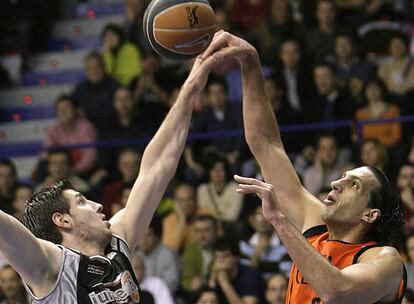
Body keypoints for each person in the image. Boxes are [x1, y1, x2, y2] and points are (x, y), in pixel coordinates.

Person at [202, 30, 406, 303]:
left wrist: (279, 221)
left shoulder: (384, 259)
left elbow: (337, 291)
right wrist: (250, 64)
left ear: (370, 214)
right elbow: (265, 144)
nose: (335, 183)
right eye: (342, 177)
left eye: (353, 185)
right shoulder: (317, 225)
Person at [0, 51, 219, 303]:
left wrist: (190, 88)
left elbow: (158, 166)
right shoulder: (49, 266)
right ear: (62, 220)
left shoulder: (118, 242)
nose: (98, 205)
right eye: (82, 202)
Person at [181, 215, 219, 292]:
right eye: (197, 231)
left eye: (206, 230)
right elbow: (187, 278)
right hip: (198, 293)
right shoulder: (191, 250)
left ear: (216, 231)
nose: (201, 235)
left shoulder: (223, 248)